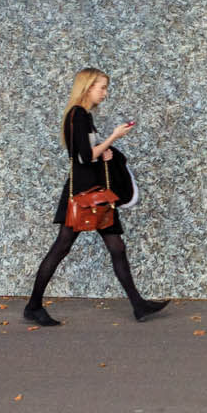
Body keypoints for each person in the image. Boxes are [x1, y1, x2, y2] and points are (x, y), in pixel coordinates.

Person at [24, 67, 169, 326]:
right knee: (62, 247)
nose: (105, 93)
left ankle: (139, 305)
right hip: (84, 194)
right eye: (102, 87)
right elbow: (84, 157)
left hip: (96, 193)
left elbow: (89, 153)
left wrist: (104, 152)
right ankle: (33, 306)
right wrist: (113, 137)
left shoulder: (84, 116)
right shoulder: (78, 115)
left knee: (116, 247)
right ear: (88, 87)